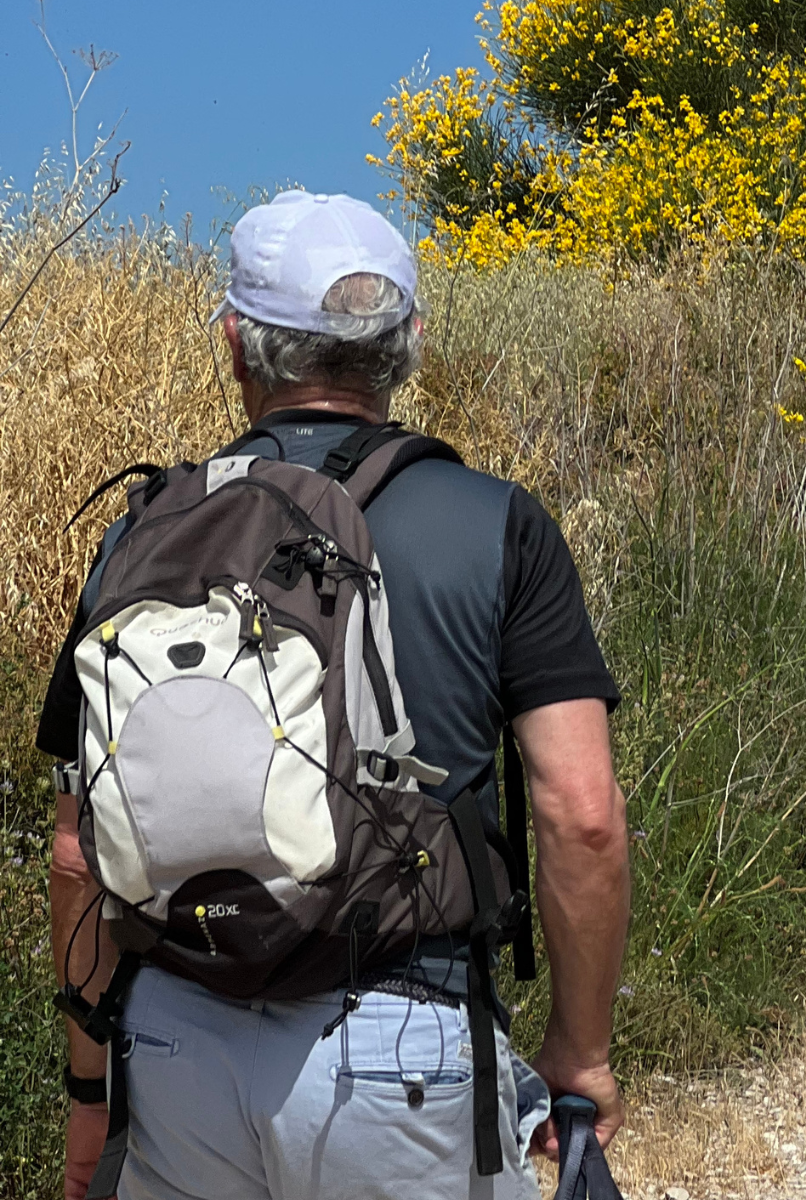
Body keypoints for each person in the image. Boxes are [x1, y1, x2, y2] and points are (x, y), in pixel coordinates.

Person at [43, 191, 631, 1200]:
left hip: (176, 1033)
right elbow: (580, 817)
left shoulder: (141, 537)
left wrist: (89, 1082)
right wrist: (579, 1053)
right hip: (404, 1044)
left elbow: (73, 851)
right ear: (404, 347)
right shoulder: (494, 525)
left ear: (236, 348)